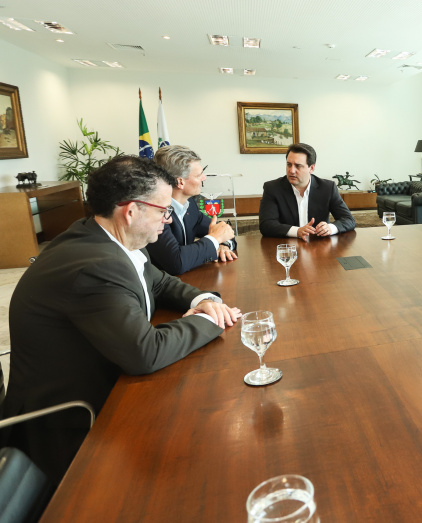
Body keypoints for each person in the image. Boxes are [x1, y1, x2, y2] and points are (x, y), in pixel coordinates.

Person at [1, 156, 242, 485]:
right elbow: (145, 353)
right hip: (71, 426)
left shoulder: (112, 237)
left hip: (109, 383)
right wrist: (211, 321)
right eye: (163, 211)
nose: (168, 220)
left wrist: (203, 299)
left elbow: (157, 281)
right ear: (131, 211)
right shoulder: (93, 264)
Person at [146, 144, 237, 275]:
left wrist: (223, 245)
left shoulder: (190, 205)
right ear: (180, 182)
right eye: (199, 175)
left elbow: (224, 232)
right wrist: (214, 240)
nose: (203, 178)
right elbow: (176, 262)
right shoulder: (155, 212)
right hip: (159, 290)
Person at [259, 143, 356, 239]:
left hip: (319, 247)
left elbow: (348, 220)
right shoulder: (272, 188)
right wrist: (297, 231)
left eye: (298, 166)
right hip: (287, 248)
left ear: (311, 168)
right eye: (289, 165)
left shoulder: (327, 188)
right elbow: (266, 225)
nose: (292, 170)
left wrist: (330, 228)